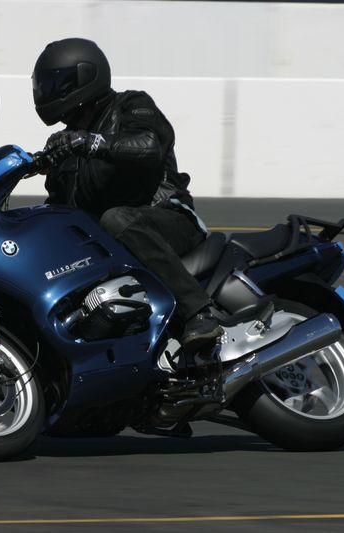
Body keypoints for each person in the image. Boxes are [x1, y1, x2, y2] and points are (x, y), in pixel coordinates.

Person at [31, 37, 223, 355]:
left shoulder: (131, 105)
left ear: (83, 77)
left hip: (169, 219)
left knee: (115, 218)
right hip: (113, 243)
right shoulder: (66, 143)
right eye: (44, 85)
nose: (46, 91)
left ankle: (198, 314)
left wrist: (93, 143)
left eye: (55, 83)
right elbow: (59, 209)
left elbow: (149, 146)